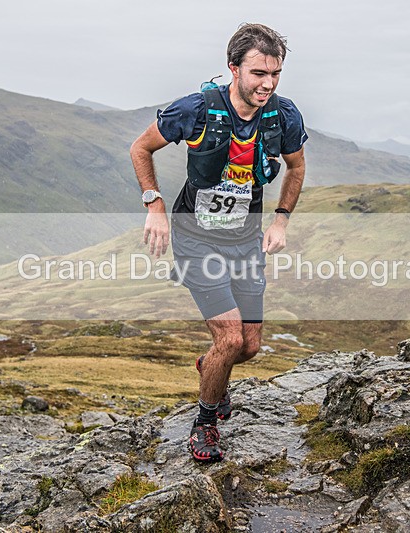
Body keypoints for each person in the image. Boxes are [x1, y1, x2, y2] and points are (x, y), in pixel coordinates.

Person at [130, 23, 307, 462]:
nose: (268, 83)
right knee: (229, 340)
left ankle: (211, 366)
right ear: (233, 68)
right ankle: (205, 422)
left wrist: (281, 221)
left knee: (248, 347)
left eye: (276, 74)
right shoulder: (196, 110)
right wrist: (153, 204)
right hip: (195, 238)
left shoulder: (283, 116)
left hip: (245, 241)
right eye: (258, 73)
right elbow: (140, 147)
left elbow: (296, 167)